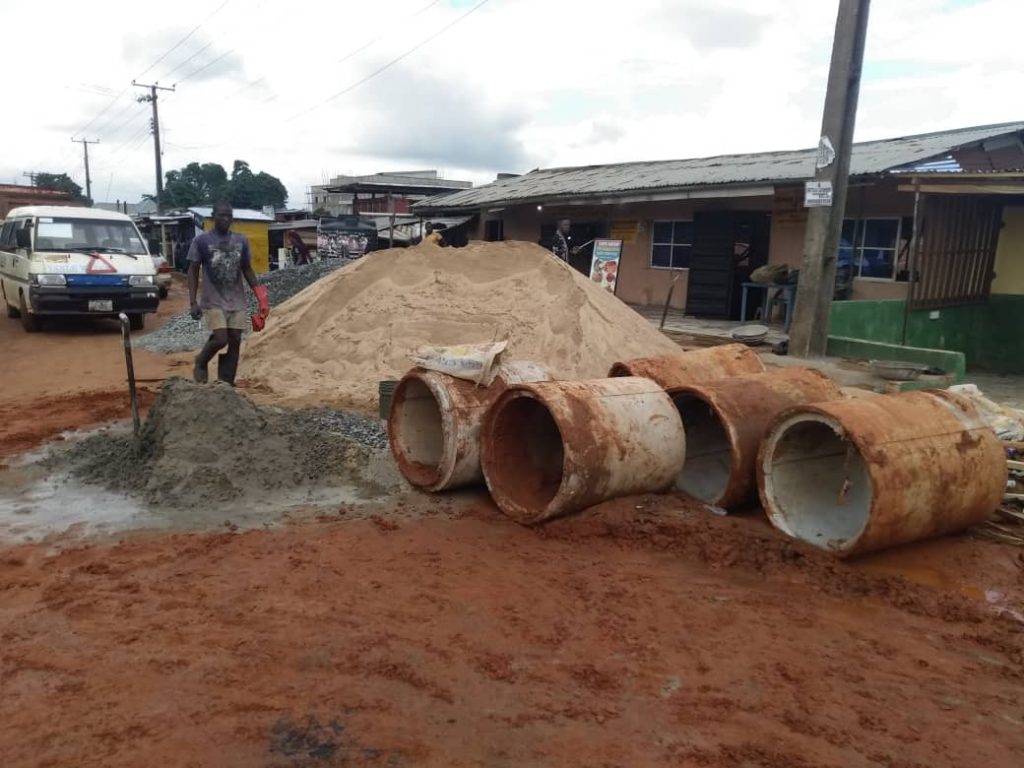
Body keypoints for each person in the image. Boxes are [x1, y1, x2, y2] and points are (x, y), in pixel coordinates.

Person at [188, 202, 269, 386]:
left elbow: (247, 269)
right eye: (221, 215)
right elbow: (192, 270)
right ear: (213, 216)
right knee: (220, 338)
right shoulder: (202, 241)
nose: (225, 219)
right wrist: (193, 301)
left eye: (228, 216)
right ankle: (201, 362)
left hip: (237, 299)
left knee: (235, 339)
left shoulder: (241, 241)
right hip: (213, 298)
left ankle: (226, 381)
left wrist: (261, 296)